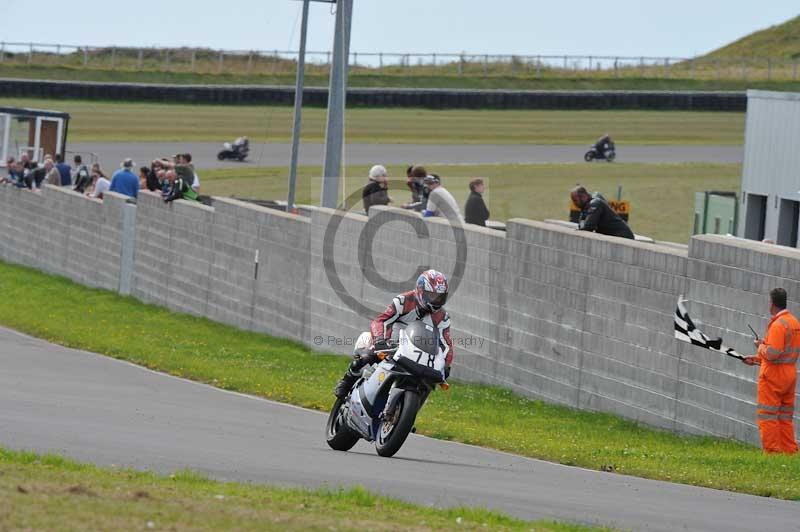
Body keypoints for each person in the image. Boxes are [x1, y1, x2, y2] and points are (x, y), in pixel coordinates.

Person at [333, 269, 454, 398]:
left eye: (440, 297)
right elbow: (381, 321)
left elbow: (446, 344)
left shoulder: (442, 317)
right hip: (392, 343)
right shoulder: (404, 300)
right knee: (368, 354)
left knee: (429, 382)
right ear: (420, 290)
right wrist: (380, 340)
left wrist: (446, 365)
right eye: (432, 296)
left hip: (419, 353)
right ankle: (348, 379)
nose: (436, 301)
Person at [743, 288, 799, 454]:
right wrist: (756, 359)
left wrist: (759, 346)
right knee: (784, 416)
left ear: (772, 303)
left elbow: (773, 354)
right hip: (789, 375)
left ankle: (772, 453)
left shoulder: (778, 325)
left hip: (773, 378)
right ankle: (789, 452)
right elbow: (783, 354)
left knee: (767, 415)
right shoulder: (794, 323)